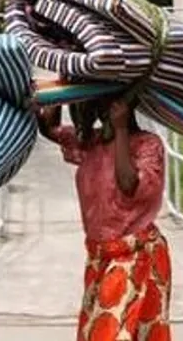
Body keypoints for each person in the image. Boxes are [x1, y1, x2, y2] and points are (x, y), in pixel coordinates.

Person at [39, 97, 170, 341]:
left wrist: (121, 129)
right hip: (100, 256)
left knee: (110, 334)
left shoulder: (148, 145)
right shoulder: (93, 142)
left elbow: (128, 184)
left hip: (135, 255)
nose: (102, 111)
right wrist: (58, 94)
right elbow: (50, 129)